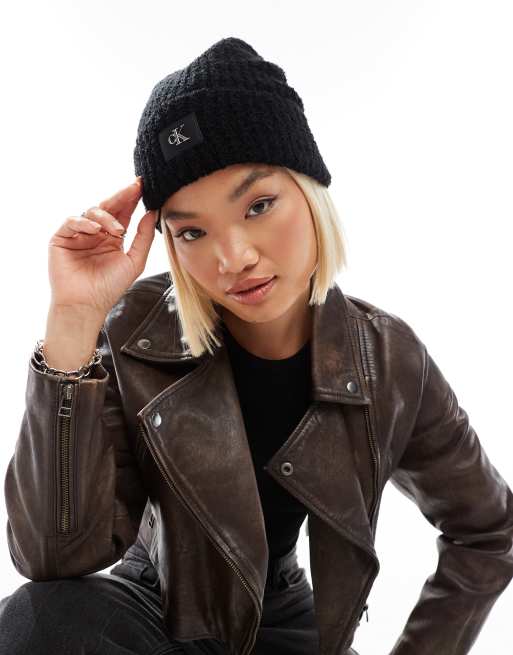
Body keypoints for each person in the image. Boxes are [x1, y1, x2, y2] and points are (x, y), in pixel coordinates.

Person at [1, 36, 512, 655]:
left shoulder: (388, 359)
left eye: (259, 205)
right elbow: (51, 559)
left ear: (310, 190)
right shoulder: (136, 328)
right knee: (37, 619)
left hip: (287, 623)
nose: (234, 257)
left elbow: (487, 532)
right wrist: (73, 323)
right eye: (192, 232)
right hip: (153, 612)